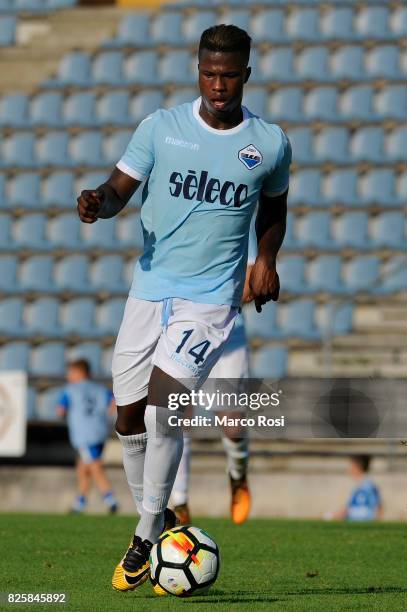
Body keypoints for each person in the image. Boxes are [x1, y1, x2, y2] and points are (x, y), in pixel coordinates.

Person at [76, 24, 291, 593]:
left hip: (211, 299)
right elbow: (122, 187)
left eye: (228, 75)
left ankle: (145, 536)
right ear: (197, 69)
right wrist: (101, 200)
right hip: (149, 288)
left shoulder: (268, 143)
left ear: (247, 74)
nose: (217, 85)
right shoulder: (162, 128)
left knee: (164, 405)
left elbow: (274, 208)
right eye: (208, 73)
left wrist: (265, 259)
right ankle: (161, 517)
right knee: (127, 418)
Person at [172, 226, 258, 526]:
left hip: (226, 334)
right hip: (182, 335)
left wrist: (209, 305)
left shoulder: (238, 218)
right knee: (177, 416)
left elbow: (250, 283)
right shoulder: (181, 218)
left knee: (232, 424)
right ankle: (179, 503)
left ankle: (238, 475)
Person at [56, 359, 118, 514]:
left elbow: (60, 410)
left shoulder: (70, 390)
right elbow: (114, 402)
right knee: (83, 467)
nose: (68, 376)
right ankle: (80, 502)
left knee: (94, 466)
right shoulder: (100, 389)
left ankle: (110, 499)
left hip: (83, 435)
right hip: (99, 431)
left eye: (71, 372)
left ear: (79, 372)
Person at [330, 455, 383, 521]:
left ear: (358, 467)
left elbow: (379, 507)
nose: (349, 469)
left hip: (361, 519)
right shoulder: (359, 485)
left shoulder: (368, 486)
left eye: (351, 466)